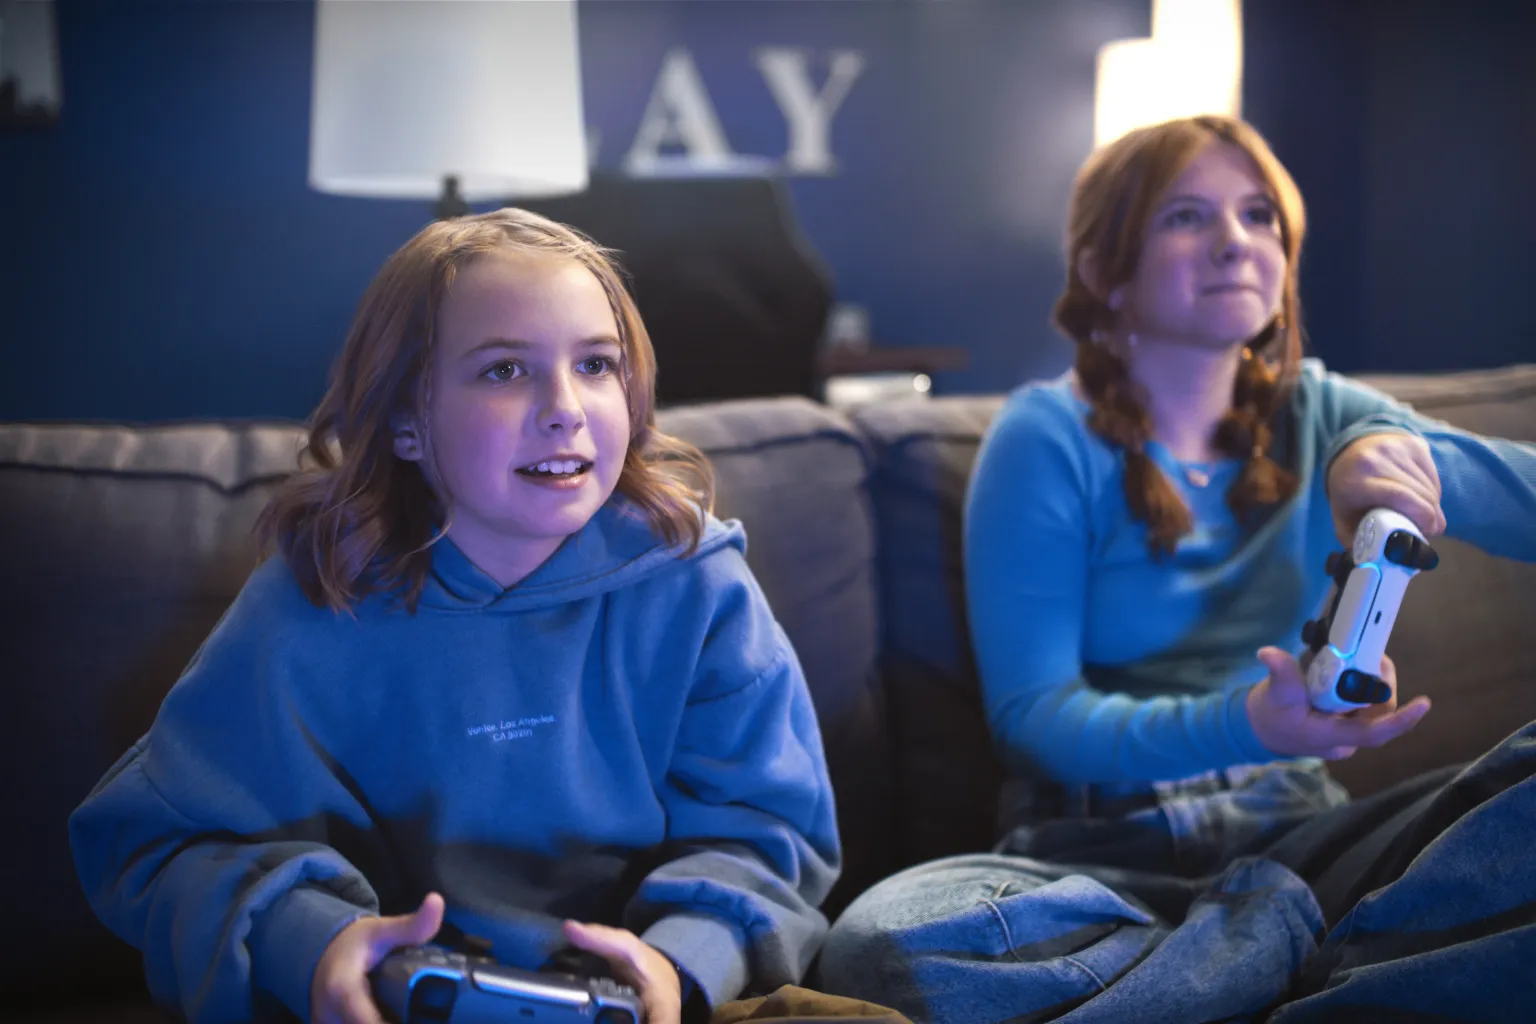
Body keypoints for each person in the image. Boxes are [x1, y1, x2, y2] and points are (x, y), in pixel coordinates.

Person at [818, 115, 1536, 1022]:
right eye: (1187, 217)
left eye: (1258, 217)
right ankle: (1301, 960)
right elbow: (1032, 723)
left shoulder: (1327, 411)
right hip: (1094, 856)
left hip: (1305, 834)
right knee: (879, 945)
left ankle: (1232, 968)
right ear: (1101, 273)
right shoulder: (1045, 436)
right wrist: (1250, 723)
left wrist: (1395, 450)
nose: (1236, 241)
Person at [69, 209, 841, 1024]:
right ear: (406, 420)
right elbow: (160, 842)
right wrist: (315, 946)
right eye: (506, 370)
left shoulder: (698, 586)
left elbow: (769, 838)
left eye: (595, 364)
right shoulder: (311, 602)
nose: (564, 407)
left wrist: (682, 960)